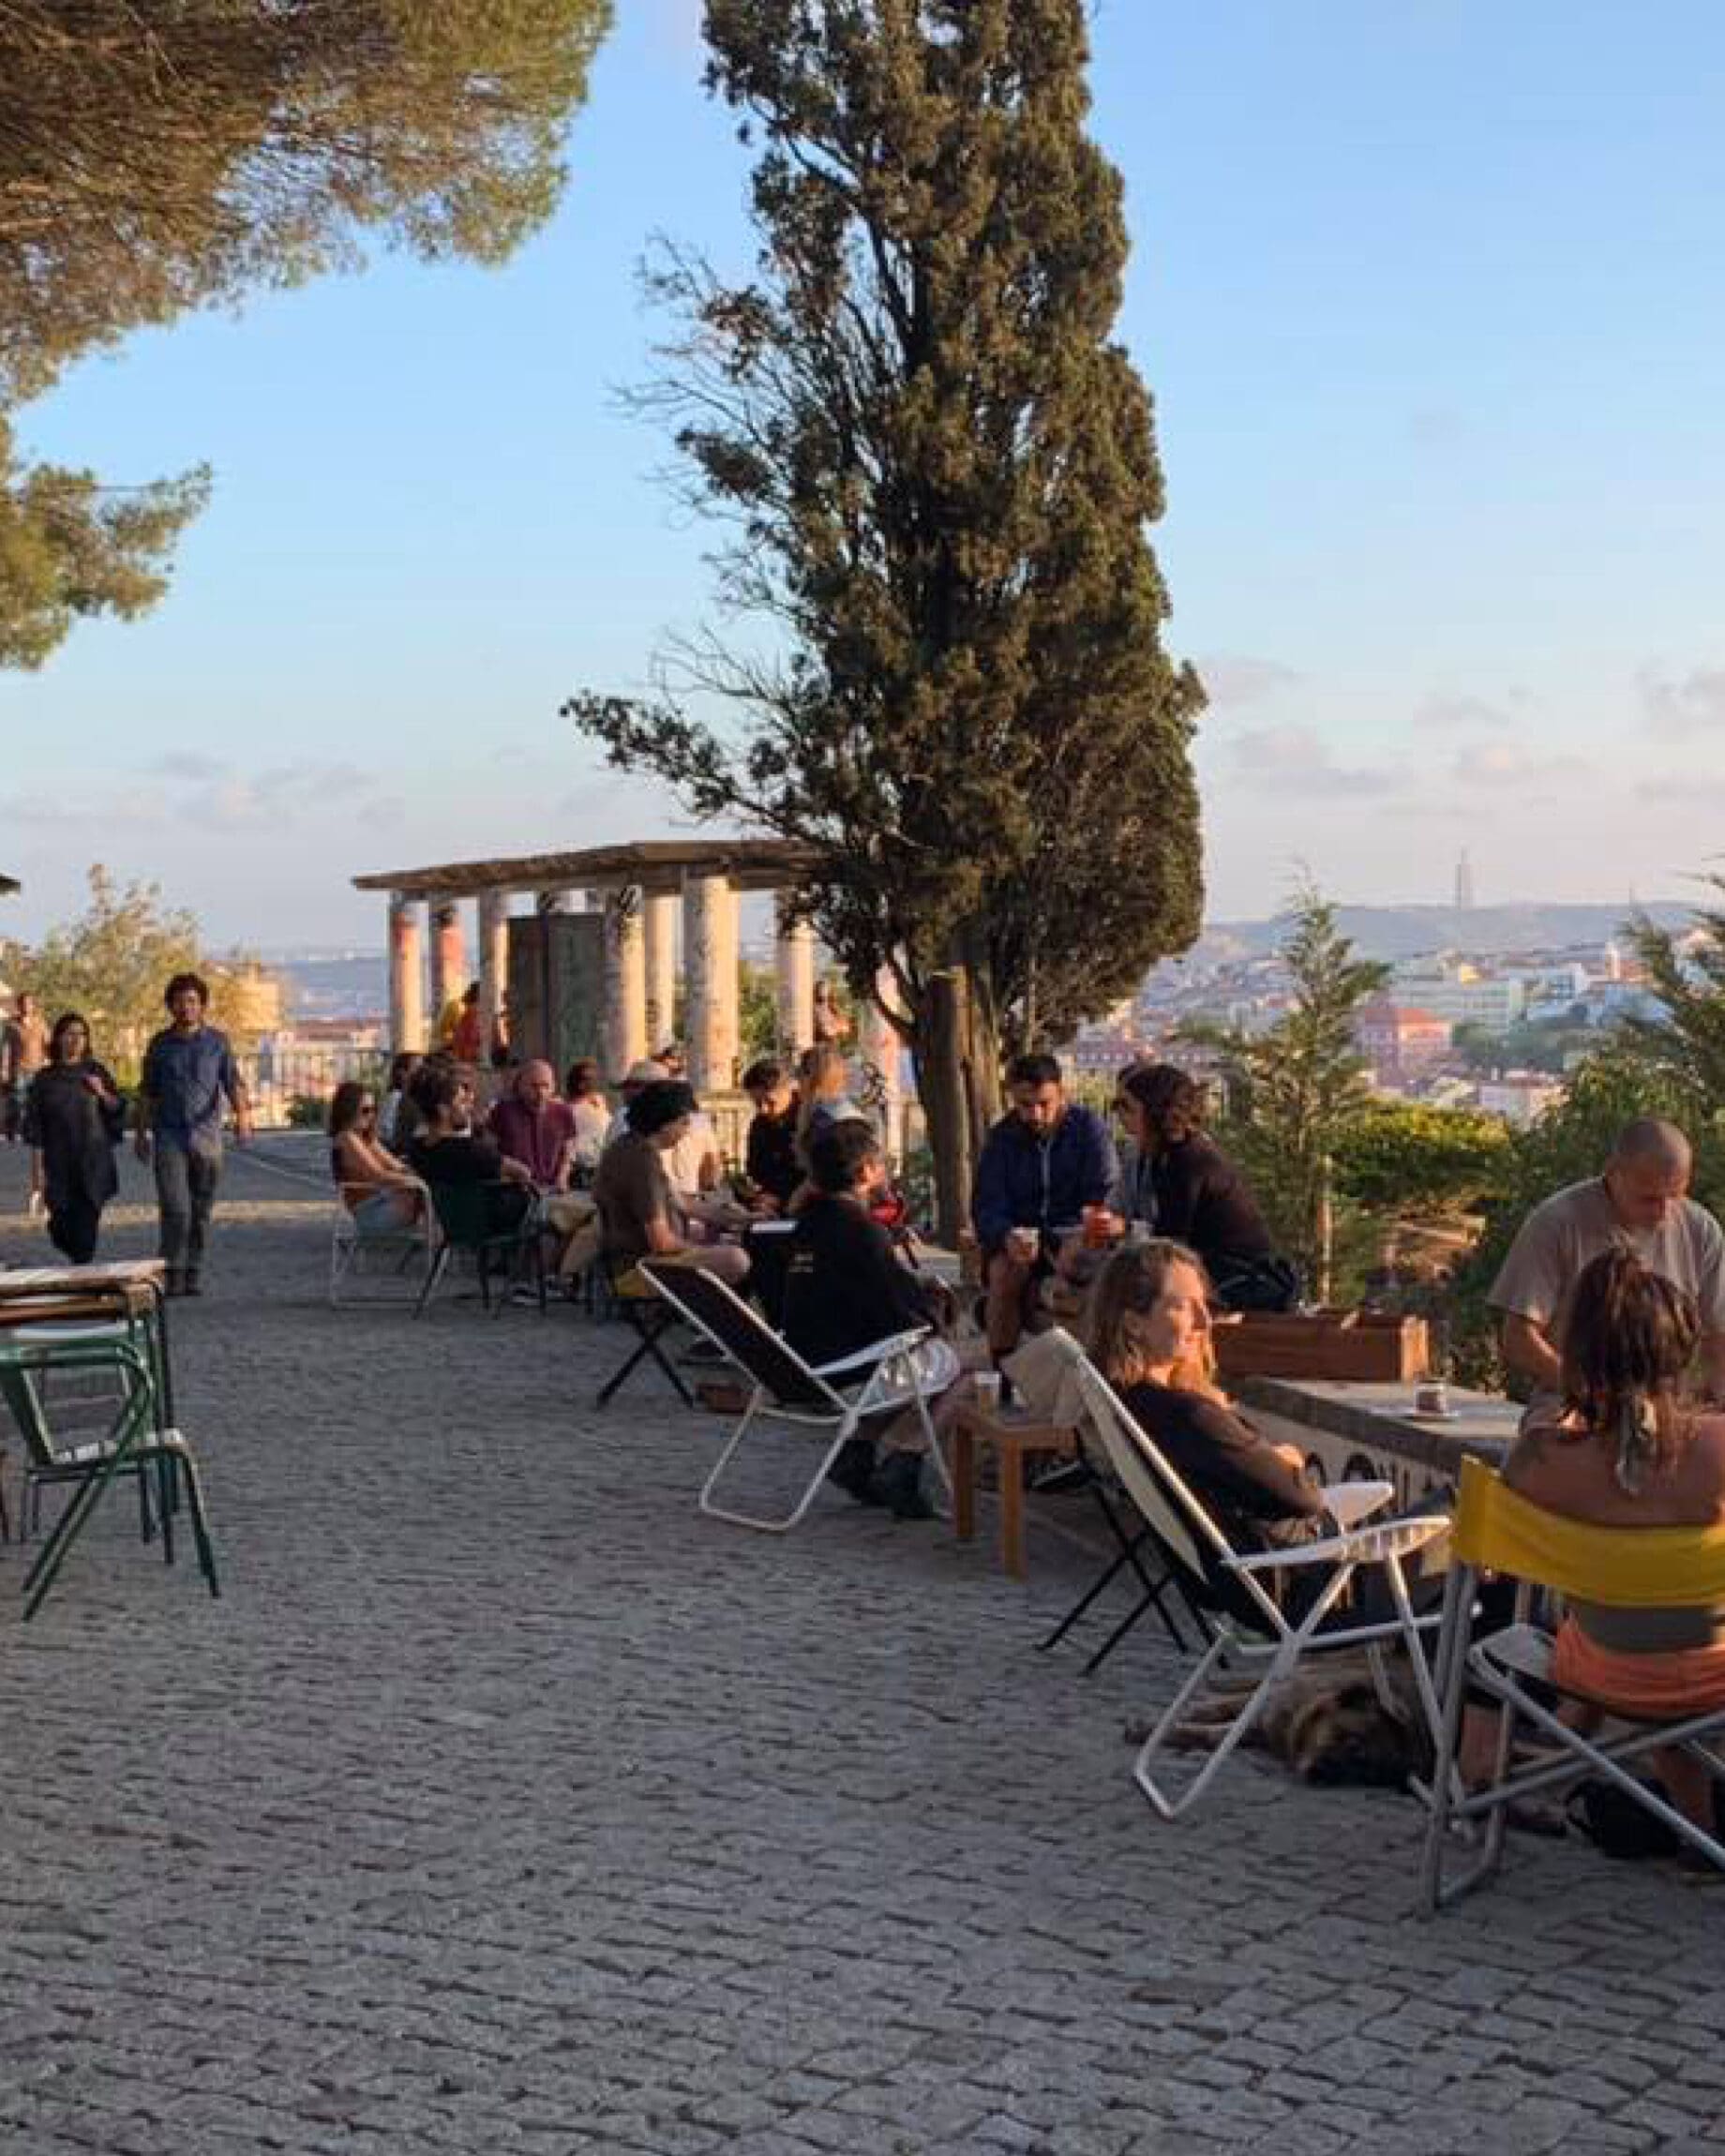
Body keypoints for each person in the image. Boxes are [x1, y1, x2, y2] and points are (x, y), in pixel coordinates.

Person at [1504, 1247, 1725, 1835]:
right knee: (1678, 1629)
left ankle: (1493, 1774)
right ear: (1679, 1355)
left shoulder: (1539, 1461)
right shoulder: (1717, 1449)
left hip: (1604, 1670)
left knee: (1609, 1629)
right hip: (1715, 1673)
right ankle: (1697, 1829)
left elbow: (1489, 1573)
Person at [1083, 1239, 1328, 1554]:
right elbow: (1304, 1497)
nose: (1204, 1321)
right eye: (1182, 1306)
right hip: (1298, 1574)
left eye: (1203, 1304)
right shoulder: (1188, 1416)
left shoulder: (1130, 1403)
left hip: (1238, 1570)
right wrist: (1284, 1459)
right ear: (1133, 1324)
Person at [780, 1119, 963, 1519]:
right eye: (880, 1164)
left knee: (919, 1362)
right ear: (864, 1172)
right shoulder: (863, 1231)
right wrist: (935, 1307)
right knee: (965, 1368)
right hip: (847, 1372)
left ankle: (858, 1453)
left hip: (802, 1364)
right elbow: (902, 1316)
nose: (884, 1171)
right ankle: (906, 1459)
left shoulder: (807, 1224)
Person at [1490, 1117, 1725, 1411]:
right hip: (1572, 1406)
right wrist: (1588, 1392)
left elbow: (1719, 1338)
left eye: (1675, 1196)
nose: (1664, 1213)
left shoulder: (1700, 1229)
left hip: (1669, 1410)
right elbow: (1518, 1338)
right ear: (1613, 1173)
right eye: (1649, 1199)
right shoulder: (1556, 1224)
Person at [1111, 1063, 1296, 1312]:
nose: (1123, 1119)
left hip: (1241, 1280)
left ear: (1154, 1114)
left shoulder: (1190, 1163)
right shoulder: (1162, 1156)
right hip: (1213, 1271)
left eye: (1130, 1110)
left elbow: (1171, 1244)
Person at [971, 1052, 1117, 1358]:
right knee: (1005, 1272)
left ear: (1061, 1094)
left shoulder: (1089, 1131)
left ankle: (1089, 1367)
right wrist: (1006, 1236)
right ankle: (1004, 1372)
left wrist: (1079, 1233)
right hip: (1024, 1238)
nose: (1035, 1114)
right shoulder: (1003, 1138)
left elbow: (1104, 1193)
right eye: (1025, 1105)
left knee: (1078, 1267)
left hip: (1074, 1235)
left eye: (1044, 1104)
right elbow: (987, 1205)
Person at [134, 972, 252, 1297]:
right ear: (170, 1006)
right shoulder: (160, 1044)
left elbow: (232, 1082)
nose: (186, 1008)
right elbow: (147, 1091)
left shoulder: (217, 1042)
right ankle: (170, 1270)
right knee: (176, 1208)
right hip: (169, 1135)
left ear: (202, 1006)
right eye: (179, 1001)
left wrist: (243, 1117)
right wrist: (141, 1133)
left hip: (207, 1138)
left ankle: (192, 1270)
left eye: (192, 1001)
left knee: (200, 1210)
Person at [591, 1079, 749, 1287]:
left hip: (636, 1261)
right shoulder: (642, 1162)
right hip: (641, 1268)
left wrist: (746, 1218)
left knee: (729, 1245)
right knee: (735, 1259)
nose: (687, 1131)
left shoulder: (630, 1147)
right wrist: (701, 1249)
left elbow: (684, 1204)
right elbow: (661, 1242)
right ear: (665, 1124)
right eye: (684, 1123)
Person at [22, 1012, 124, 1263]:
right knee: (61, 1231)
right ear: (58, 1038)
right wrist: (37, 1178)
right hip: (59, 1166)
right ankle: (80, 1266)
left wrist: (101, 1093)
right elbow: (35, 1131)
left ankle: (83, 1279)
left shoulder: (96, 1071)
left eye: (81, 1034)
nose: (76, 1039)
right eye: (69, 1034)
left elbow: (117, 1108)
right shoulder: (44, 1080)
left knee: (85, 1237)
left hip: (93, 1164)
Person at [405, 1062, 535, 1238]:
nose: (469, 1107)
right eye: (461, 1102)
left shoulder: (418, 1148)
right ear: (443, 1110)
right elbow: (523, 1171)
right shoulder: (471, 1150)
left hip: (451, 1225)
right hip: (492, 1223)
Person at [328, 1082, 424, 1234]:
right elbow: (378, 1175)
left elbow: (396, 1166)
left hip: (384, 1201)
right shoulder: (347, 1139)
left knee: (432, 1196)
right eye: (365, 1110)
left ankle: (440, 1247)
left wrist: (420, 1171)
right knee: (428, 1198)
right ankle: (442, 1248)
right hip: (370, 1213)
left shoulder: (366, 1139)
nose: (371, 1115)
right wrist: (418, 1181)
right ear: (349, 1110)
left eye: (374, 1110)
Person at [741, 1057, 802, 1211]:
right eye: (757, 1103)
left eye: (770, 1102)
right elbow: (755, 1169)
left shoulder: (809, 1121)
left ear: (789, 1089)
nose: (763, 1109)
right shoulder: (759, 1124)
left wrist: (782, 1198)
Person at [1, 989, 48, 1144]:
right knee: (17, 1101)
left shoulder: (40, 1023)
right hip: (19, 1069)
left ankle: (29, 1132)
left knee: (33, 1103)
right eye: (22, 1003)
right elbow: (6, 1047)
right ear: (18, 1005)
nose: (25, 1006)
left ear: (33, 1005)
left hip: (37, 1069)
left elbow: (47, 1044)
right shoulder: (11, 1025)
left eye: (28, 1003)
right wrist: (4, 1069)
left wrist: (49, 1062)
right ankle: (10, 1129)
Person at [562, 1057, 610, 1182]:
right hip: (579, 1168)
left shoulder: (599, 1104)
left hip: (601, 1166)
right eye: (588, 1079)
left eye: (594, 1079)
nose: (592, 1083)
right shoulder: (565, 1109)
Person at [380, 1051, 422, 1152]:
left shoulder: (415, 1098)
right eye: (418, 1069)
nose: (422, 1074)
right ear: (402, 1073)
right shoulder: (395, 1099)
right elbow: (387, 1136)